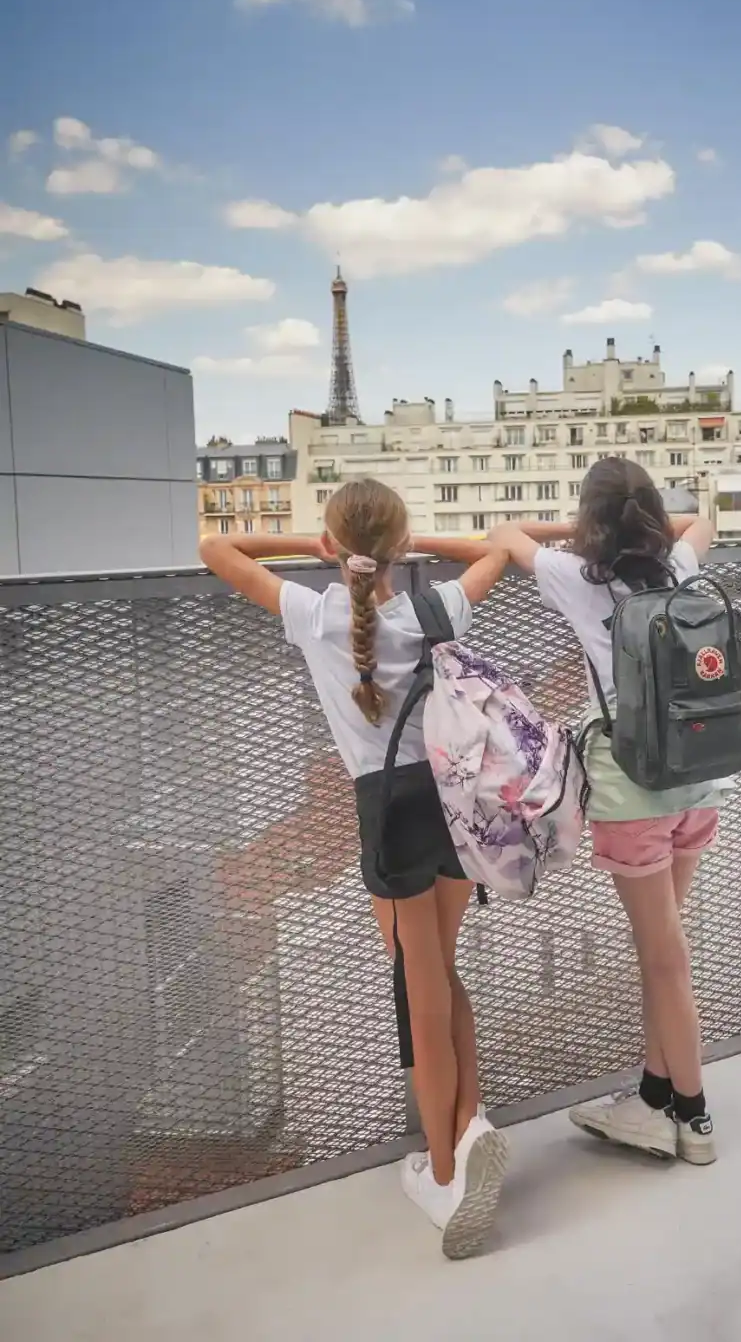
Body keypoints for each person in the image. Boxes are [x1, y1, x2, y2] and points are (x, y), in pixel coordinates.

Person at [201, 479, 511, 1259]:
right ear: (399, 550)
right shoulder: (435, 609)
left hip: (388, 812)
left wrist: (320, 548)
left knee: (422, 983)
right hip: (453, 801)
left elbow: (215, 548)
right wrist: (416, 549)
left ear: (334, 549)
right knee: (438, 972)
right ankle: (471, 1124)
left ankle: (443, 1174)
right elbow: (498, 551)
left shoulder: (316, 614)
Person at [488, 458, 724, 1164]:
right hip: (697, 780)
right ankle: (654, 1096)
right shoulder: (679, 562)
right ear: (650, 515)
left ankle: (696, 1117)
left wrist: (583, 537)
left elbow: (504, 533)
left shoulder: (572, 577)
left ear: (593, 524)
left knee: (664, 958)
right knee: (666, 954)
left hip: (631, 791)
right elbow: (701, 521)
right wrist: (636, 526)